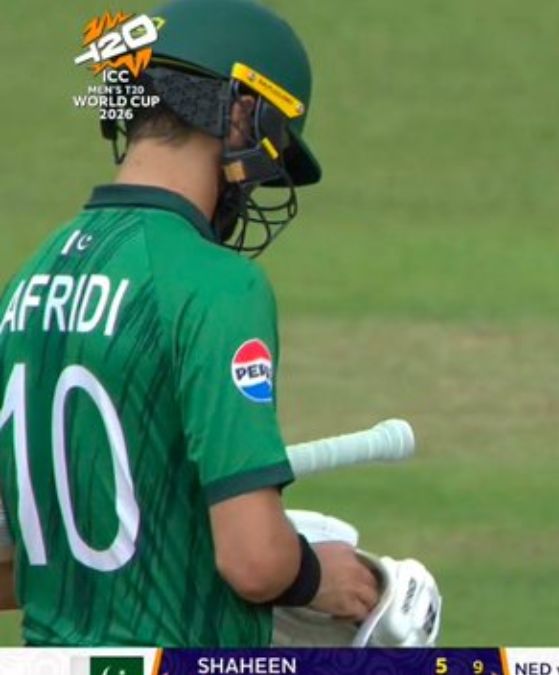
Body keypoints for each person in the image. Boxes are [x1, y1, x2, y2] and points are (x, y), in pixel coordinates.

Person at [0, 0, 379, 645]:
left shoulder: (29, 280)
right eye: (273, 147)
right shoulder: (215, 286)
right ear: (239, 113)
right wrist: (318, 574)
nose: (260, 182)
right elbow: (255, 563)